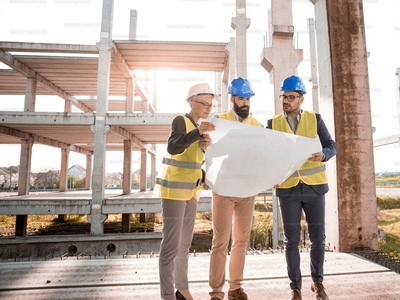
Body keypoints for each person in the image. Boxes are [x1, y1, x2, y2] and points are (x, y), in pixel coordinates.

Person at [267, 75, 337, 300]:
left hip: (314, 188)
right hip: (288, 190)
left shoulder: (315, 119)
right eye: (283, 96)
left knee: (318, 238)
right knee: (292, 241)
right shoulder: (273, 123)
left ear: (301, 99)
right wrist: (271, 175)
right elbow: (267, 154)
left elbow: (331, 145)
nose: (286, 100)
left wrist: (323, 154)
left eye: (291, 97)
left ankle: (318, 283)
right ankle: (295, 287)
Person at [155, 83, 217, 300]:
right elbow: (173, 147)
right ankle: (167, 295)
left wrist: (203, 149)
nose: (209, 108)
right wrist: (197, 133)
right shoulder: (181, 120)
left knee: (184, 245)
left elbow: (192, 162)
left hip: (191, 192)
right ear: (192, 102)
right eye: (204, 103)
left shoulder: (198, 127)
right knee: (171, 246)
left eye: (211, 104)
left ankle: (182, 288)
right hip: (174, 193)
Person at [209, 77, 263, 300]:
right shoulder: (219, 121)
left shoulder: (258, 126)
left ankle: (235, 288)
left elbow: (262, 157)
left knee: (241, 241)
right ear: (232, 99)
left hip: (247, 190)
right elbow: (209, 151)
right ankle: (216, 292)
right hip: (223, 189)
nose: (245, 103)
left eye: (248, 99)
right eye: (241, 98)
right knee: (220, 241)